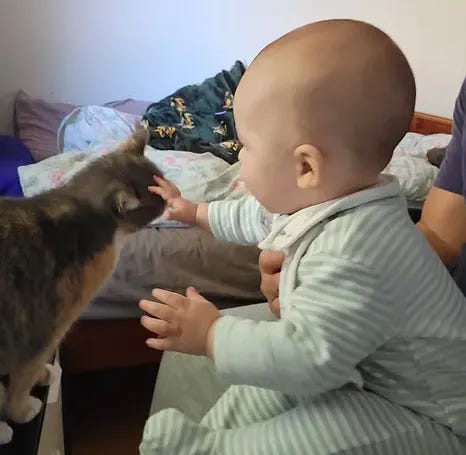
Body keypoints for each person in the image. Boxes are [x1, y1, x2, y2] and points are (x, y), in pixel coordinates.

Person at [139, 20, 466, 454]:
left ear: (306, 167)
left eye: (245, 147)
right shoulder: (333, 200)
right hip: (359, 370)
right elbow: (255, 216)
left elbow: (308, 360)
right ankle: (208, 435)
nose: (241, 157)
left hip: (429, 415)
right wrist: (195, 212)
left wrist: (214, 335)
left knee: (306, 438)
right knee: (260, 388)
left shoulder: (357, 251)